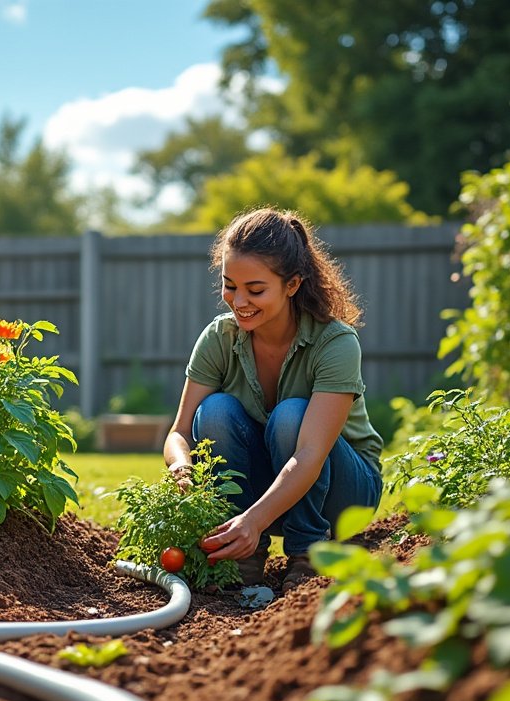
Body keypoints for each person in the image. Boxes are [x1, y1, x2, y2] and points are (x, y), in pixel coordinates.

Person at [163, 207, 383, 593]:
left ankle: (308, 552)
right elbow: (178, 432)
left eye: (256, 289)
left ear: (292, 284)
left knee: (291, 416)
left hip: (343, 494)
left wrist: (255, 519)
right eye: (230, 285)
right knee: (214, 410)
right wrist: (181, 467)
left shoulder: (335, 342)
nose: (239, 300)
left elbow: (311, 454)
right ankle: (242, 556)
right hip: (268, 494)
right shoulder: (220, 338)